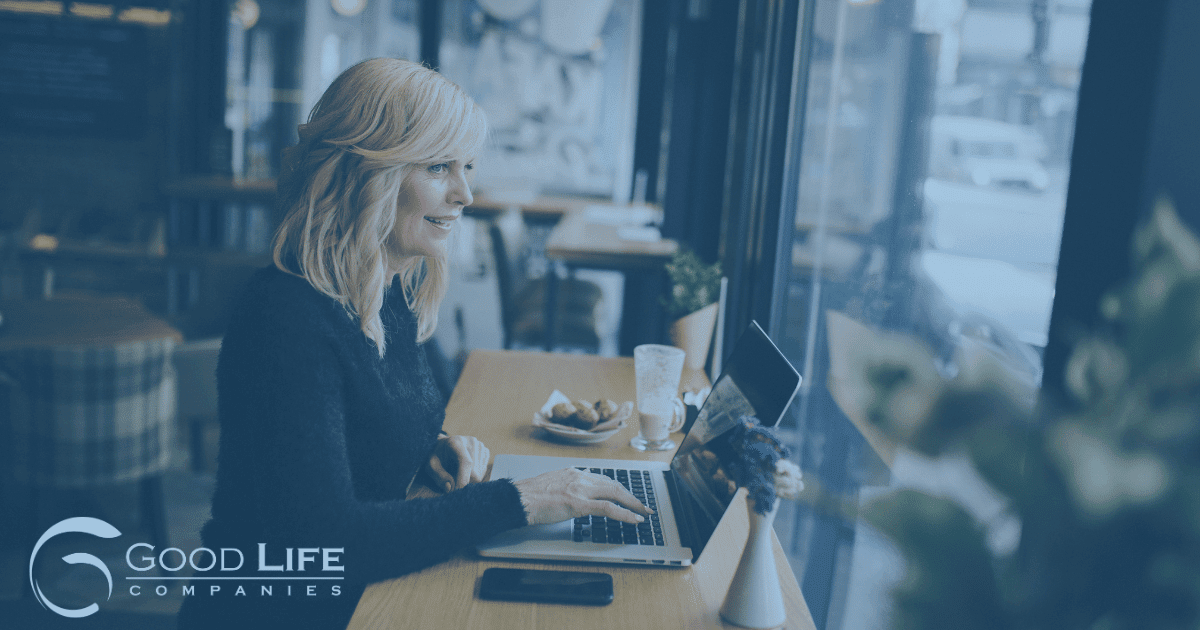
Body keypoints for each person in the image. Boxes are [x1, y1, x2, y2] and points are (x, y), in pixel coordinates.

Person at [177, 58, 650, 629]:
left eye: (467, 167)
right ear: (364, 174)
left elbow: (365, 421)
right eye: (437, 166)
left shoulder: (387, 286)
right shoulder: (286, 316)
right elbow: (328, 543)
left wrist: (430, 445)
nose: (465, 193)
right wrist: (518, 501)